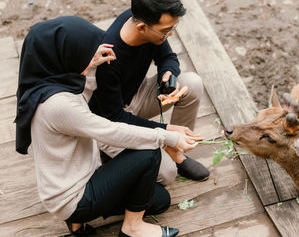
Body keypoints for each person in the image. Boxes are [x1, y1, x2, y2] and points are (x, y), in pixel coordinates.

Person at [15, 16, 196, 237]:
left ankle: (77, 223)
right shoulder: (57, 106)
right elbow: (112, 131)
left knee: (159, 201)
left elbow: (81, 97)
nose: (88, 55)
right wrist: (167, 136)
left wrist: (90, 68)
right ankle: (132, 229)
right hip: (73, 197)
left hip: (78, 179)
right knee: (149, 153)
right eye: (84, 53)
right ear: (65, 57)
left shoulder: (49, 84)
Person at [89, 0, 210, 183]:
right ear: (142, 27)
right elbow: (116, 117)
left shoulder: (147, 21)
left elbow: (168, 58)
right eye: (165, 30)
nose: (169, 34)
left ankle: (175, 149)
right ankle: (110, 153)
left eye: (172, 27)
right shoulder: (108, 58)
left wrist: (167, 74)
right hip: (110, 122)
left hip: (135, 96)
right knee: (166, 174)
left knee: (193, 83)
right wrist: (167, 130)